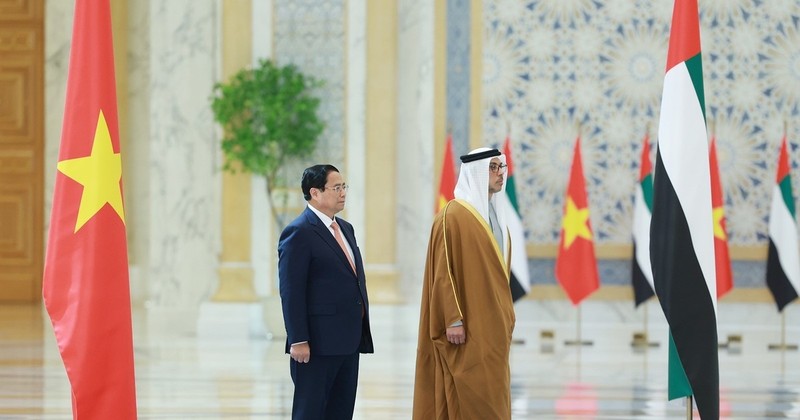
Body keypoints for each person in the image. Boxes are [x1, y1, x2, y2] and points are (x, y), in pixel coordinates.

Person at [412, 147, 517, 419]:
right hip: (466, 327)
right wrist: (453, 320)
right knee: (470, 392)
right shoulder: (453, 215)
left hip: (493, 328)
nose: (499, 174)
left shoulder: (495, 218)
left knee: (495, 392)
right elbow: (444, 272)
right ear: (477, 172)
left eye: (501, 167)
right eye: (492, 167)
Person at [278, 164, 374, 420]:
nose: (343, 193)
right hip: (317, 345)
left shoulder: (346, 228)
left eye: (344, 187)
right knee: (310, 412)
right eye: (336, 187)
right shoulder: (299, 232)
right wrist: (298, 339)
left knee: (341, 412)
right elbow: (291, 291)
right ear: (315, 193)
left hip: (349, 341)